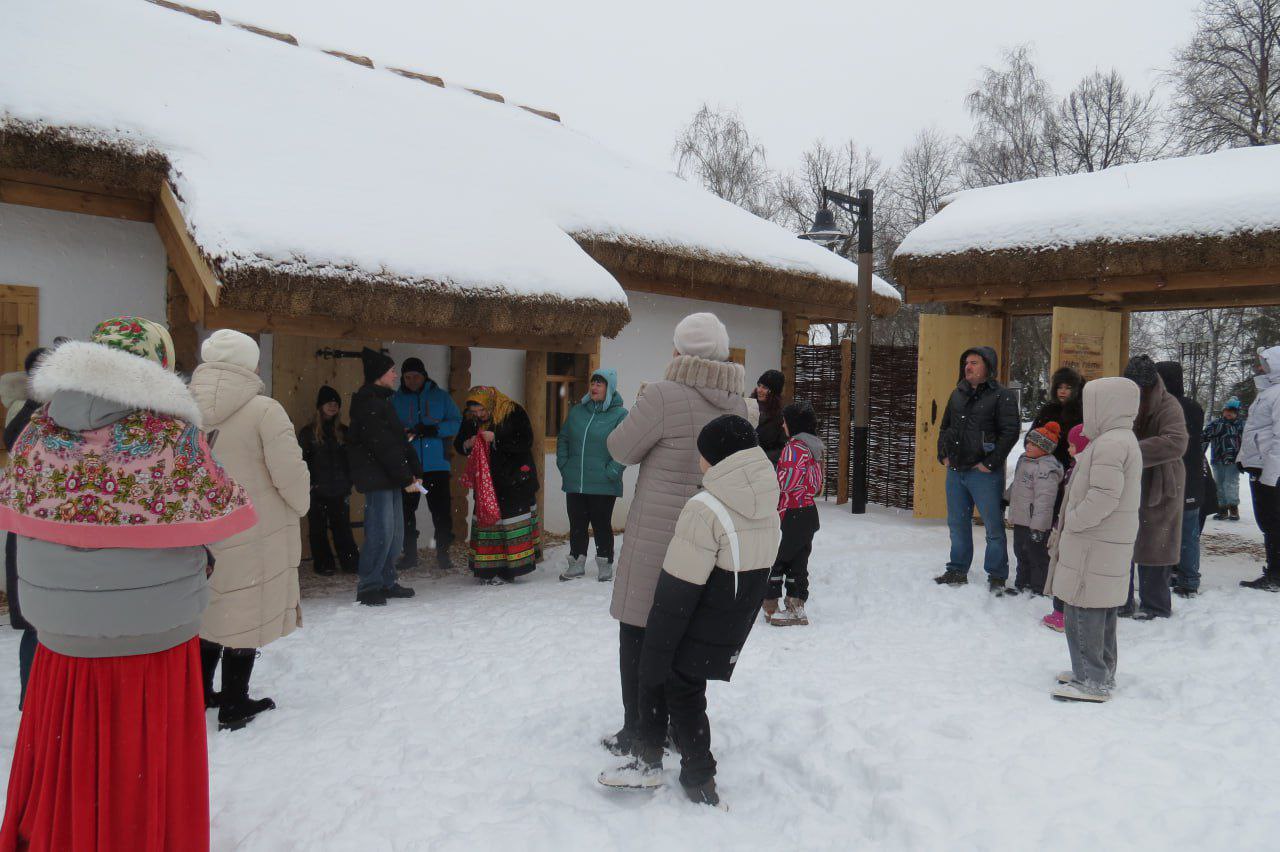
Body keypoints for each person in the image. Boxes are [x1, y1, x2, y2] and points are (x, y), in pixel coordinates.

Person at [0, 316, 256, 848]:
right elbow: (228, 511)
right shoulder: (171, 435)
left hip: (62, 638)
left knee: (69, 753)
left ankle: (64, 833)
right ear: (158, 365)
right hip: (154, 637)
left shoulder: (38, 428)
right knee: (143, 758)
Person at [598, 415, 780, 808]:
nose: (698, 460)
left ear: (717, 457)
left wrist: (656, 646)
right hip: (733, 617)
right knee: (687, 685)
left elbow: (678, 586)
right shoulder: (767, 504)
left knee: (663, 678)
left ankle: (681, 772)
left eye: (702, 453)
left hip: (698, 611)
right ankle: (688, 763)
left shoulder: (705, 507)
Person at [601, 312, 750, 758]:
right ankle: (677, 727)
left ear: (679, 350)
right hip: (708, 537)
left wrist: (642, 404)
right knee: (684, 635)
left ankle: (639, 729)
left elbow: (619, 449)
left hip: (657, 535)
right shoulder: (740, 405)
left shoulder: (662, 395)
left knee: (638, 629)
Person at [190, 330, 310, 731]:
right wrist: (301, 503)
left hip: (204, 524)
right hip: (255, 522)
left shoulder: (184, 407)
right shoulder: (264, 410)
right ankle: (234, 702)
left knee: (210, 608)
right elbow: (289, 471)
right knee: (246, 608)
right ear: (249, 364)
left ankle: (199, 692)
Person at [1044, 377, 1143, 703]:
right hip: (1102, 542)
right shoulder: (1119, 439)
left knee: (1083, 610)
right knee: (1100, 612)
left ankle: (1090, 680)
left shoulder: (1110, 445)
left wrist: (1073, 521)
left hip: (1093, 542)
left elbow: (1104, 496)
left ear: (1106, 406)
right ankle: (1100, 672)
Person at [934, 346, 1020, 593]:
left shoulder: (1002, 396)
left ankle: (997, 575)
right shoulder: (957, 393)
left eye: (974, 363)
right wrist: (943, 455)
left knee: (993, 527)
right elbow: (945, 427)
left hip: (984, 473)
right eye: (966, 363)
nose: (968, 367)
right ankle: (957, 569)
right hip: (956, 471)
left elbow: (1010, 432)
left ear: (987, 367)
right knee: (957, 524)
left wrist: (989, 463)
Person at [348, 348, 422, 606]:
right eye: (391, 371)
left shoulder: (383, 402)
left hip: (390, 477)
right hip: (377, 478)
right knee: (381, 532)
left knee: (395, 534)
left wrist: (414, 472)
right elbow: (384, 447)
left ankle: (387, 581)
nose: (395, 375)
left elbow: (398, 441)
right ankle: (369, 586)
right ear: (379, 375)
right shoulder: (368, 404)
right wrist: (406, 477)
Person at [1121, 355, 1188, 620]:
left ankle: (1156, 606)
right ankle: (1120, 600)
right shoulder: (1121, 400)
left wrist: (1129, 451)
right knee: (1120, 542)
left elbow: (1176, 442)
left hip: (1160, 482)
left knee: (1156, 544)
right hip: (1126, 480)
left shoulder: (1169, 405)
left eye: (1141, 386)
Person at [454, 386, 541, 584]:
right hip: (486, 481)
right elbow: (459, 444)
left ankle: (510, 569)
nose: (479, 415)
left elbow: (525, 441)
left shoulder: (512, 411)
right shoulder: (470, 418)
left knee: (510, 521)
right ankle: (488, 570)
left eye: (482, 410)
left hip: (514, 478)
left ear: (491, 403)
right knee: (489, 523)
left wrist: (497, 439)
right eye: (475, 412)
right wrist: (468, 443)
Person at [1, 347, 47, 708]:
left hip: (46, 524)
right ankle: (32, 701)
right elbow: (14, 441)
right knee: (34, 622)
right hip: (31, 523)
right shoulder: (25, 406)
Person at [556, 368, 627, 582]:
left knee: (601, 524)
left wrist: (612, 471)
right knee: (577, 524)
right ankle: (576, 563)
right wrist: (564, 464)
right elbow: (564, 438)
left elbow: (626, 447)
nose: (594, 387)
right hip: (575, 480)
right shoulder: (578, 411)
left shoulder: (620, 415)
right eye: (592, 383)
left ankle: (605, 564)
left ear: (609, 388)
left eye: (599, 384)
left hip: (603, 482)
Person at [391, 357, 461, 572]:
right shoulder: (395, 400)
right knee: (405, 512)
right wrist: (401, 433)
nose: (412, 381)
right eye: (408, 377)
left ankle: (443, 554)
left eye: (416, 376)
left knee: (441, 513)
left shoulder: (441, 396)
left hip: (436, 465)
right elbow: (387, 427)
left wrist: (435, 430)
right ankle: (410, 555)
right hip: (408, 466)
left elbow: (457, 422)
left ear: (424, 376)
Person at [765, 401, 823, 626]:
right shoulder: (813, 447)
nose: (783, 425)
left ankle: (771, 604)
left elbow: (787, 481)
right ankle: (796, 603)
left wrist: (773, 481)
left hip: (792, 511)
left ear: (795, 424)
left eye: (785, 421)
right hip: (808, 512)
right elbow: (816, 484)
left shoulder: (795, 448)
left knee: (778, 558)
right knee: (799, 560)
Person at [1156, 362, 1205, 599]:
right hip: (1191, 476)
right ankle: (1187, 577)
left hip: (1172, 475)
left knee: (1170, 529)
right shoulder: (1193, 406)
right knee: (1188, 531)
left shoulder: (1164, 407)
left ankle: (1177, 575)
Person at [298, 385, 359, 576]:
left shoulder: (344, 432)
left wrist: (349, 482)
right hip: (317, 489)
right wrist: (310, 484)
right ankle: (324, 563)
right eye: (328, 403)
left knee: (342, 527)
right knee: (318, 528)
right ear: (320, 406)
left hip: (340, 488)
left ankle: (350, 562)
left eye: (336, 403)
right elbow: (302, 460)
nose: (333, 406)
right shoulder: (308, 433)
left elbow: (351, 461)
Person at [1238, 346, 1280, 591]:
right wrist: (1243, 457)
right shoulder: (1268, 392)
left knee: (1273, 521)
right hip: (1260, 466)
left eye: (1263, 363)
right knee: (1267, 521)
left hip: (1269, 471)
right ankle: (1274, 569)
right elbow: (1254, 430)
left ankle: (1276, 574)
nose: (1258, 367)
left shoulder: (1277, 394)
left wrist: (1272, 475)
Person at [1006, 422, 1064, 596]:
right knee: (1021, 552)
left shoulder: (1046, 468)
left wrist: (1038, 527)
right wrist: (1006, 498)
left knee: (1037, 556)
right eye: (1028, 442)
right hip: (1021, 519)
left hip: (1035, 523)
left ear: (1045, 448)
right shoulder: (1024, 460)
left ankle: (1039, 588)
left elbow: (1045, 501)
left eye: (1034, 444)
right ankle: (1022, 584)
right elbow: (1017, 485)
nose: (1028, 446)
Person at [1042, 424, 1090, 632]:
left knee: (1064, 572)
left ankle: (1061, 615)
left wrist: (1063, 525)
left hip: (1072, 530)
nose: (1069, 449)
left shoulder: (1081, 471)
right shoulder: (1076, 468)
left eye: (1072, 445)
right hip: (1067, 526)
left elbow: (1071, 503)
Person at [1032, 367, 1084, 468]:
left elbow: (1083, 444)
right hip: (1046, 465)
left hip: (1072, 466)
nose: (1062, 391)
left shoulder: (1081, 412)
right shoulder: (1047, 409)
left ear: (1075, 390)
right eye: (1060, 387)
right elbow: (1031, 438)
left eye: (1068, 388)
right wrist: (1049, 442)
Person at [1203, 397, 1245, 521]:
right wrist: (1199, 453)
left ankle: (1233, 508)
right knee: (1218, 484)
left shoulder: (1241, 425)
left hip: (1233, 460)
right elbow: (1204, 438)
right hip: (1217, 459)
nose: (1228, 413)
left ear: (1236, 413)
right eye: (1226, 411)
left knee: (1231, 484)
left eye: (1232, 411)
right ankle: (1222, 509)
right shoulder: (1216, 424)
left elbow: (1248, 442)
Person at [752, 369, 787, 465]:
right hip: (744, 462)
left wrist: (762, 458)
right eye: (759, 385)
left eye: (764, 387)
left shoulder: (781, 417)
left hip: (765, 466)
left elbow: (783, 448)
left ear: (774, 391)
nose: (759, 390)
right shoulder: (748, 407)